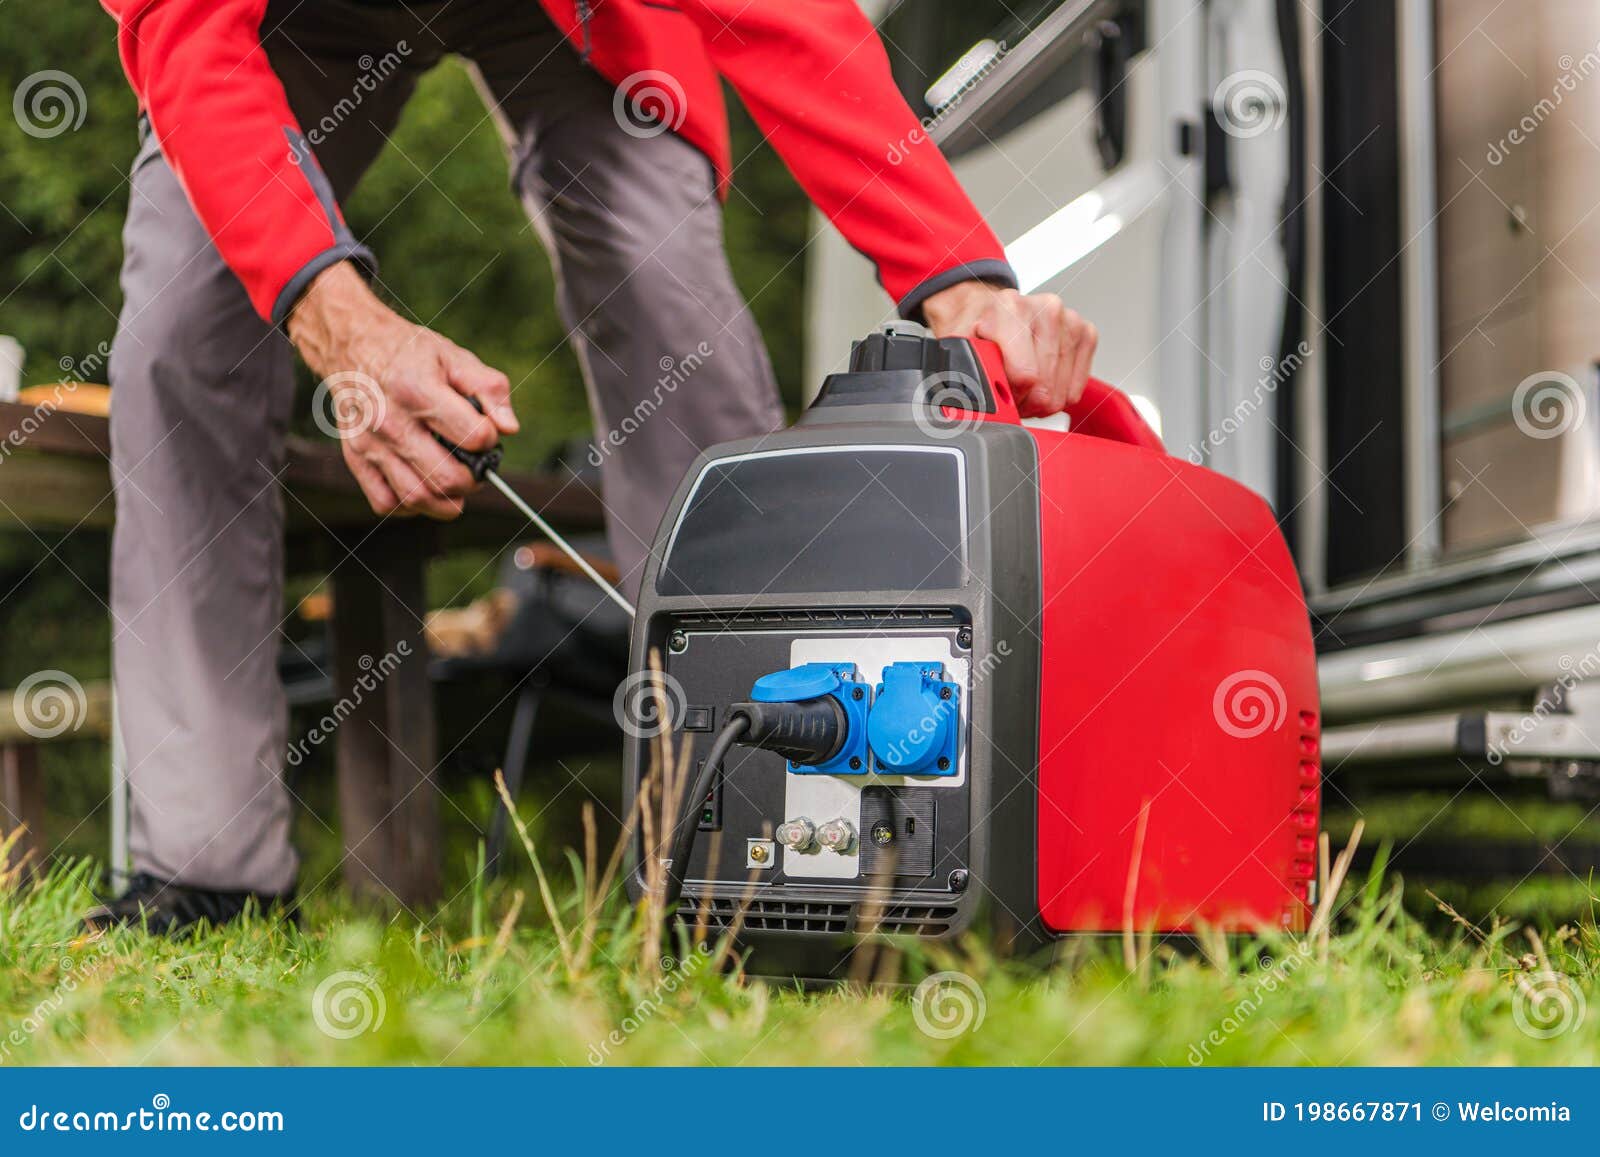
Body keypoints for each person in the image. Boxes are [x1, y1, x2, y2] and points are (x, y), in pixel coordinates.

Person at [87, 0, 1099, 932]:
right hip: (284, 20)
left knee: (664, 290)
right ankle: (208, 867)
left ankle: (774, 824)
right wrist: (339, 319)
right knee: (181, 329)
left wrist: (954, 276)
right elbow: (187, 36)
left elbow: (788, 21)